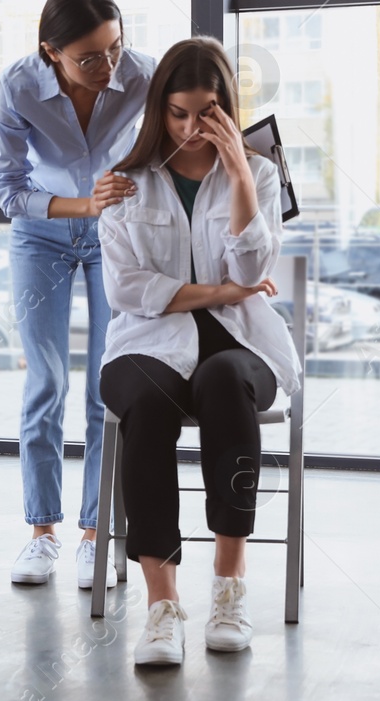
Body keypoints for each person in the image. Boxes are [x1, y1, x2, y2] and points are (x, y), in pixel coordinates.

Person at [96, 37, 300, 666]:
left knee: (222, 384)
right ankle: (162, 608)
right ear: (159, 109)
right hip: (146, 342)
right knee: (150, 406)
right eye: (177, 114)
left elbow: (255, 264)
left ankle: (229, 587)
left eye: (204, 114)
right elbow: (124, 288)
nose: (188, 129)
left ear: (225, 110)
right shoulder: (124, 182)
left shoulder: (259, 174)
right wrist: (215, 290)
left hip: (241, 340)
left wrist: (239, 170)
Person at [0, 0, 157, 590]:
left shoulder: (143, 75)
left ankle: (95, 533)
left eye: (114, 48)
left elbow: (171, 145)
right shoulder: (18, 86)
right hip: (44, 237)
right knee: (47, 381)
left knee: (106, 389)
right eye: (89, 58)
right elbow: (7, 189)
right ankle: (41, 534)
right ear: (50, 52)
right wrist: (81, 205)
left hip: (117, 237)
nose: (107, 67)